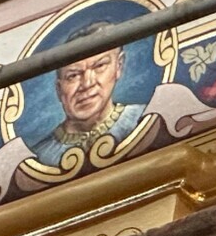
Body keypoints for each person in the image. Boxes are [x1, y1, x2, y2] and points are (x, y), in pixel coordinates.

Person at [33, 22, 145, 166]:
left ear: (119, 66)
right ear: (59, 89)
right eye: (73, 75)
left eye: (99, 66)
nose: (87, 84)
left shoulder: (144, 118)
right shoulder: (40, 158)